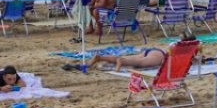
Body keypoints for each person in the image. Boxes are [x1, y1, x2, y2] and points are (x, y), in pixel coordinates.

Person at [66, 33, 198, 74]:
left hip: (153, 50)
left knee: (131, 58)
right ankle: (120, 63)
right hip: (159, 56)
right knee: (138, 63)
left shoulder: (175, 44)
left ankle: (100, 58)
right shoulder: (185, 50)